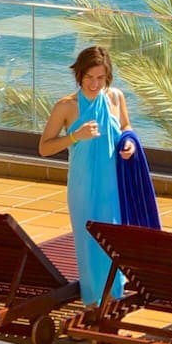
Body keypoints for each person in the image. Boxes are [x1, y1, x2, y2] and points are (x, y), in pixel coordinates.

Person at [37, 46, 136, 308]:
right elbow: (44, 148)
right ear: (79, 75)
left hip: (113, 185)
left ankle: (114, 301)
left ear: (108, 77)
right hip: (82, 187)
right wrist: (74, 136)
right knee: (88, 242)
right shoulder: (66, 106)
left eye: (100, 78)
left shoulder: (116, 98)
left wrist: (129, 142)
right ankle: (91, 305)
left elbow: (126, 126)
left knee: (113, 241)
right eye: (89, 77)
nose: (94, 84)